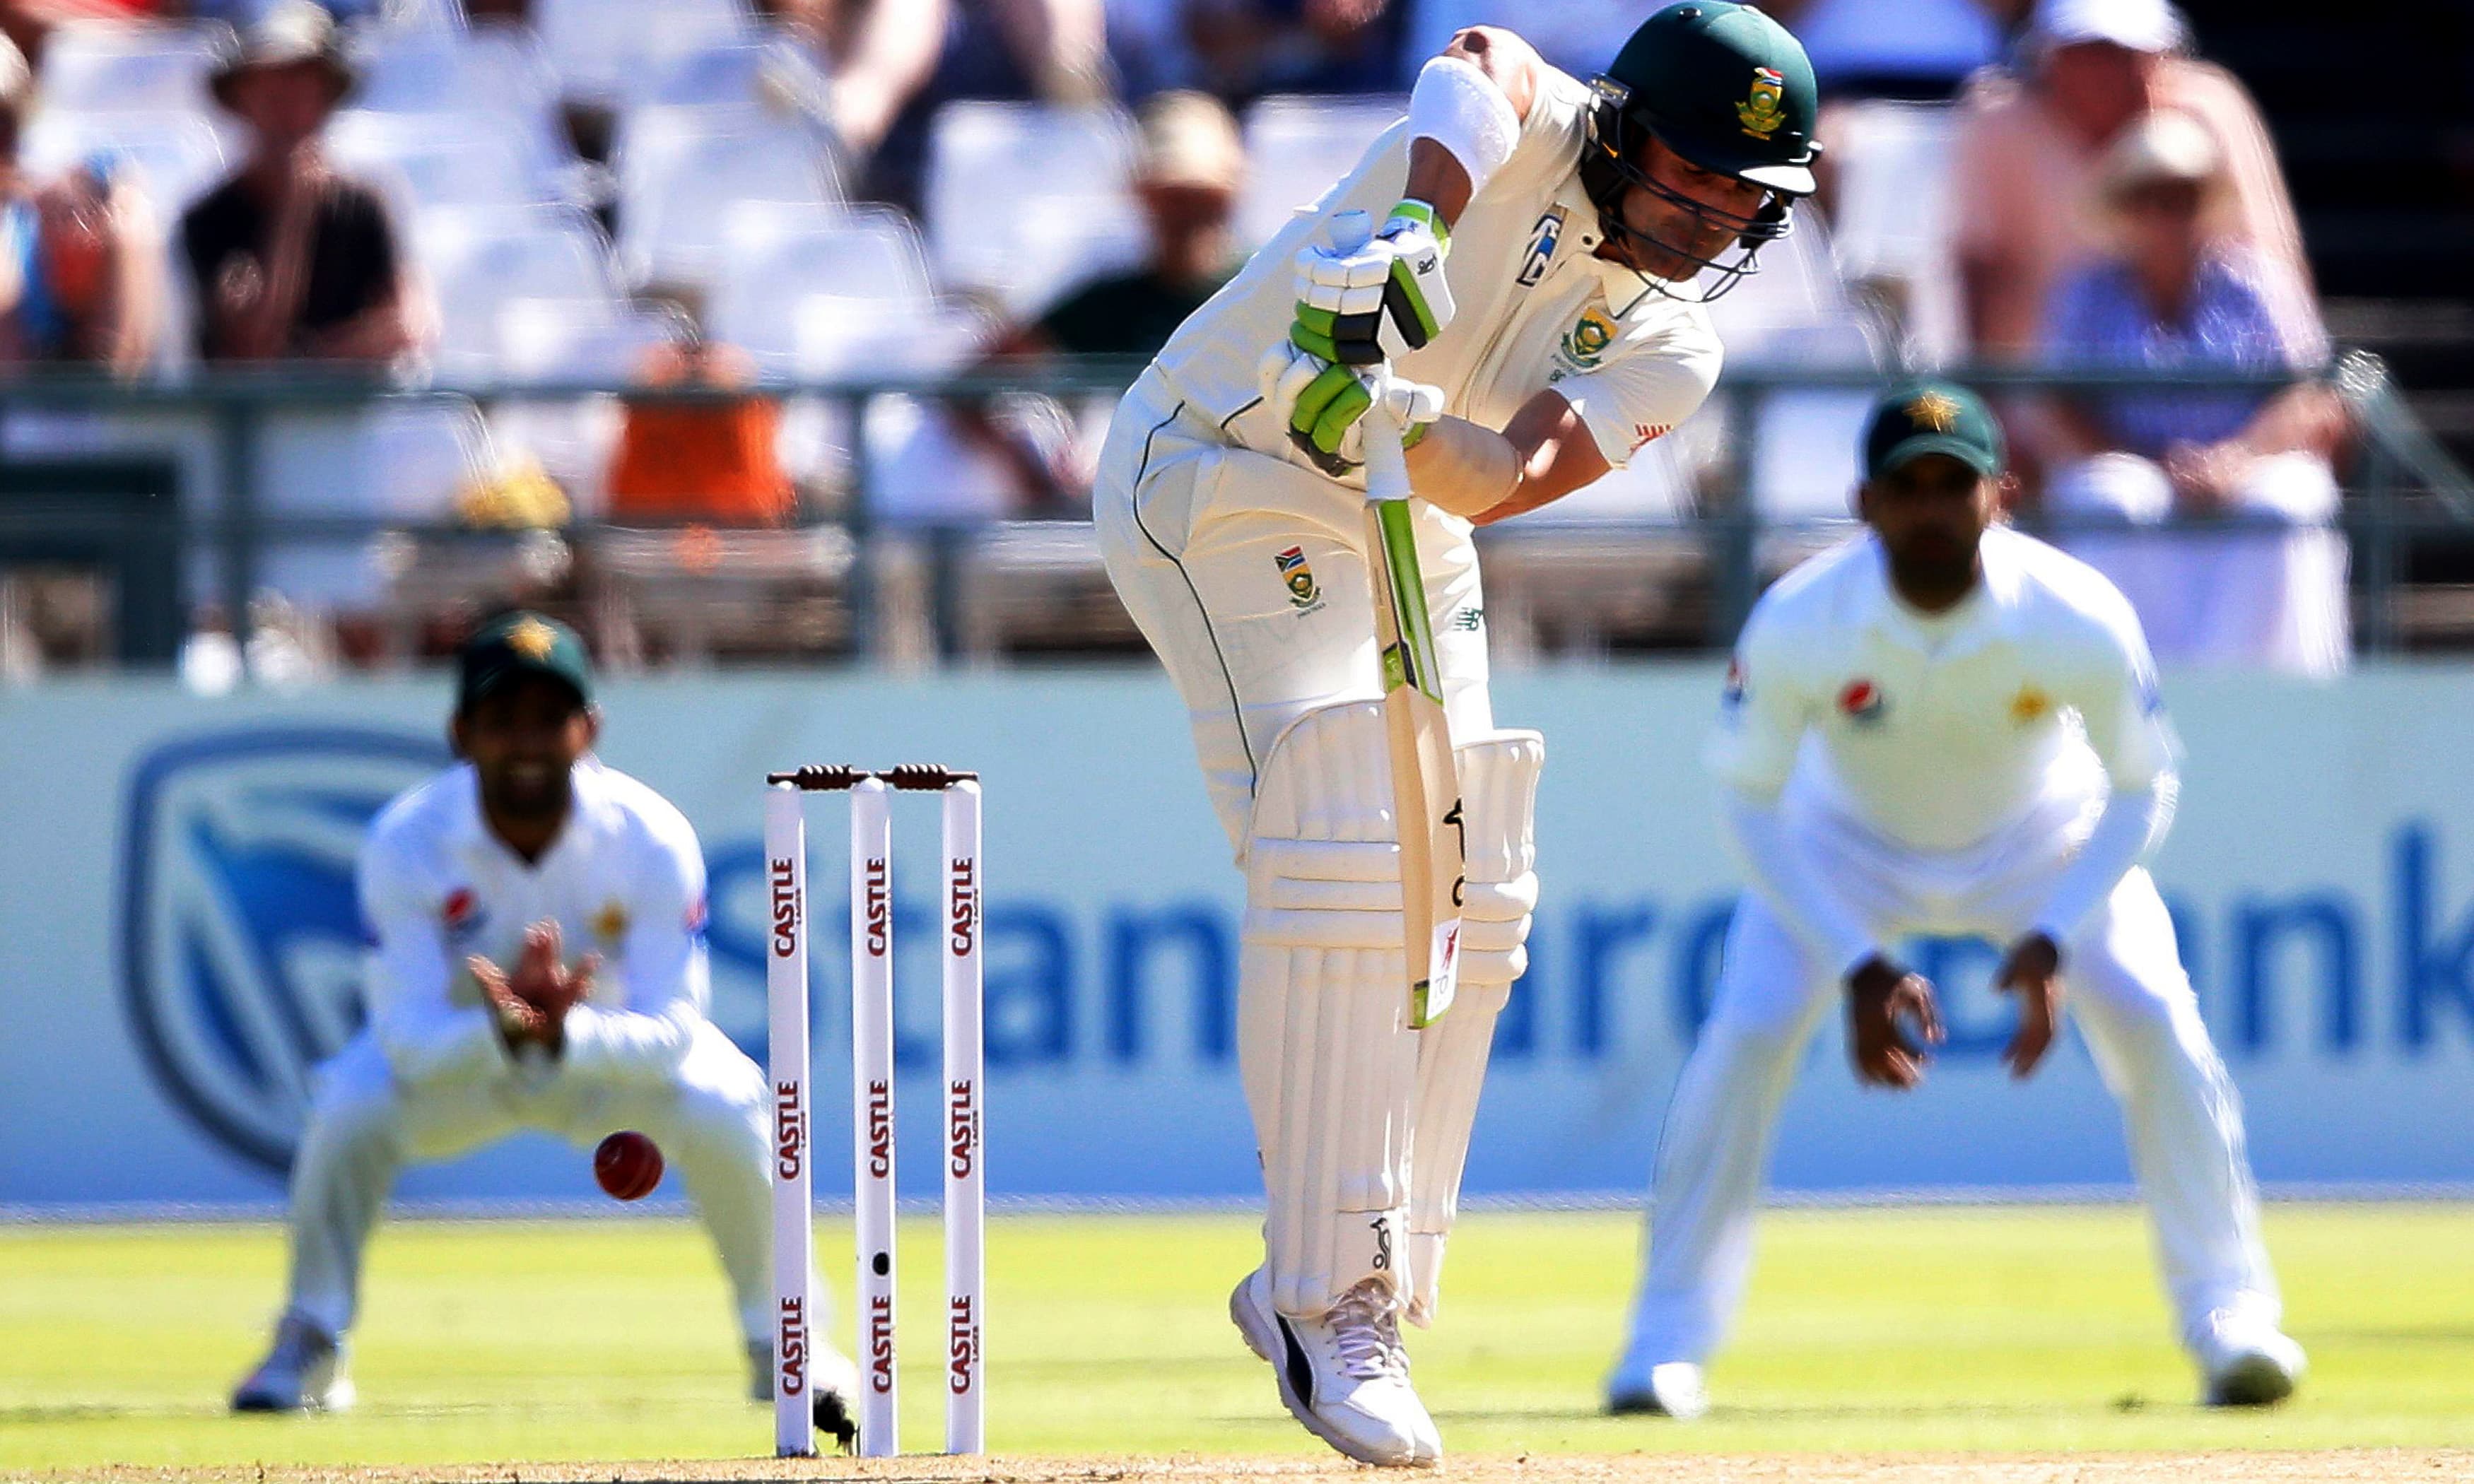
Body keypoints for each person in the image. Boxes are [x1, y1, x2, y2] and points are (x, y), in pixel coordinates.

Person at [1093, 1, 1822, 1464]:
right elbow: (1483, 51)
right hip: (1217, 474)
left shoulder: (1675, 344)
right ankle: (1325, 1299)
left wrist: (1380, 410)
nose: (1706, 224)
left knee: (1475, 882)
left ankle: (1351, 1264)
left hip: (1407, 509)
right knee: (1354, 847)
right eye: (1688, 182)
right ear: (1621, 135)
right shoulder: (1517, 131)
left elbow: (1494, 478)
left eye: (1744, 202)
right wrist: (1414, 233)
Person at [1604, 381, 2304, 1421]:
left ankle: (2233, 1321)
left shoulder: (2073, 612)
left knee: (2158, 1024)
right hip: (1842, 850)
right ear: (1866, 503)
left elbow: (2139, 785)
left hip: (2042, 844)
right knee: (1744, 1038)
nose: (1933, 506)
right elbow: (1749, 801)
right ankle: (1663, 1348)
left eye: (1955, 484)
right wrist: (1853, 961)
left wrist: (2057, 933)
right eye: (1909, 487)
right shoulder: (1802, 618)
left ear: (2002, 495)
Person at [230, 613, 857, 1437]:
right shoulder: (407, 840)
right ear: (461, 734)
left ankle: (787, 1343)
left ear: (588, 729)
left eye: (548, 719)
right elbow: (405, 1037)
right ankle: (311, 1337)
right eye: (501, 721)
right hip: (464, 1066)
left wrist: (564, 1034)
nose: (526, 742)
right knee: (350, 1104)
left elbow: (674, 1026)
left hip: (611, 1068)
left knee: (726, 1101)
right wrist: (508, 1035)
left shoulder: (650, 836)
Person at [2039, 110, 2349, 676]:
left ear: (2203, 206)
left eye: (2181, 198)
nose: (2166, 215)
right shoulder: (2086, 289)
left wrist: (2241, 457)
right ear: (2126, 209)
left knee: (2288, 502)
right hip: (2129, 460)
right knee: (2111, 501)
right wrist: (2152, 461)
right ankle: (2129, 685)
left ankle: (2263, 691)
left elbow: (2303, 392)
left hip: (2248, 463)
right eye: (2150, 198)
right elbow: (2062, 400)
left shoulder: (2258, 281)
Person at [1950, 0, 2314, 364]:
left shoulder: (2211, 107)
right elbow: (1979, 266)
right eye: (2087, 52)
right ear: (2050, 58)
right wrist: (1993, 394)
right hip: (2041, 402)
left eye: (2127, 54)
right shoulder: (2000, 125)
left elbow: (2267, 255)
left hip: (2212, 393)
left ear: (2162, 58)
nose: (2107, 72)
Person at [958, 89, 1245, 510]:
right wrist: (1032, 477)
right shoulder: (1109, 302)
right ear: (1143, 197)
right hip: (1135, 526)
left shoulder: (1267, 284)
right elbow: (969, 387)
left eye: (1201, 195)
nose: (1186, 213)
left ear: (1231, 196)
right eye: (1171, 195)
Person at [180, 1, 423, 366]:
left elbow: (408, 324)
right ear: (242, 98)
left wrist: (311, 361)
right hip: (255, 422)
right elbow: (252, 350)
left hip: (353, 416)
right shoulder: (210, 218)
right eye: (271, 84)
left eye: (302, 83)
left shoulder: (365, 204)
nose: (287, 103)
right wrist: (294, 214)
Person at [0, 33, 161, 375]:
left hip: (61, 413)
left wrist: (87, 279)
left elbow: (115, 365)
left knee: (127, 219)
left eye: (3, 123)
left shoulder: (71, 200)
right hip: (21, 410)